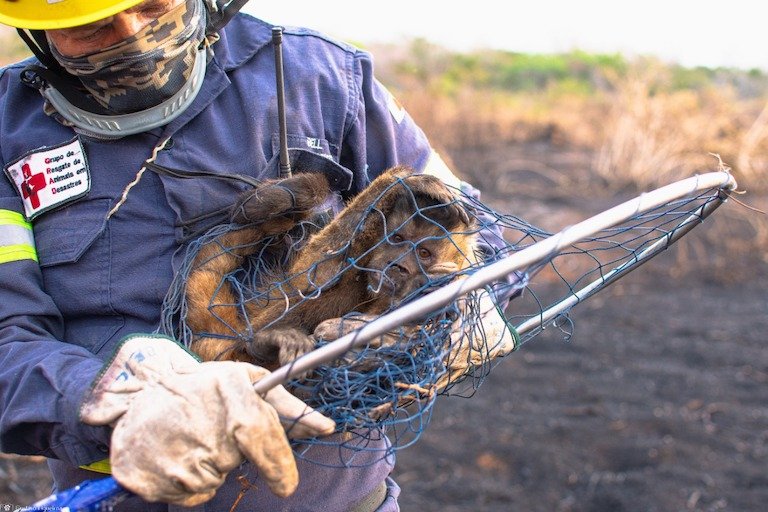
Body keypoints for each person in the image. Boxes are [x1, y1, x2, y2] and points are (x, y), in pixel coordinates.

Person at [0, 1, 511, 510]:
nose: (133, 35)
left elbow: (475, 235)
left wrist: (452, 311)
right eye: (90, 28)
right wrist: (114, 398)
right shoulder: (8, 129)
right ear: (39, 31)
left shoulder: (316, 76)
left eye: (153, 7)